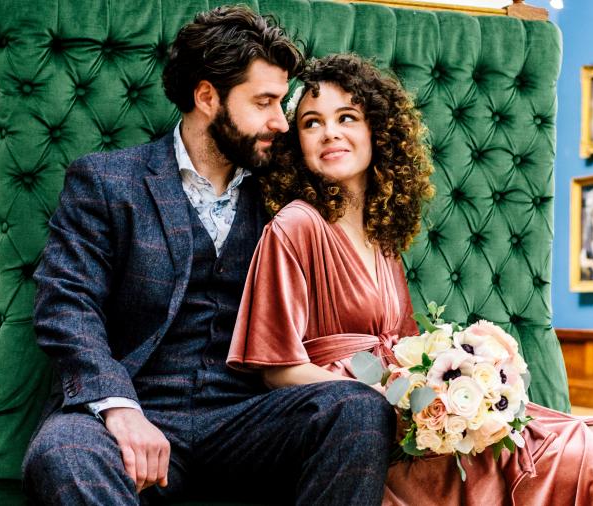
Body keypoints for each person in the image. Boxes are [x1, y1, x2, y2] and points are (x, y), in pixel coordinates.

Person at [228, 53, 593, 505]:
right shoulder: (296, 225)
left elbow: (407, 351)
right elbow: (277, 371)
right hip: (368, 427)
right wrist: (376, 398)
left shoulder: (382, 236)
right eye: (312, 123)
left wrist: (453, 386)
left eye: (347, 117)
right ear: (298, 142)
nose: (330, 132)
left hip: (418, 412)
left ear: (377, 131)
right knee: (587, 452)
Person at [24, 7, 395, 505]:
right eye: (264, 102)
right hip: (138, 404)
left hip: (249, 419)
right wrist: (121, 410)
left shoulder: (286, 193)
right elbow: (66, 307)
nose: (280, 123)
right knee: (63, 452)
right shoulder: (107, 182)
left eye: (282, 103)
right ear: (207, 97)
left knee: (356, 410)